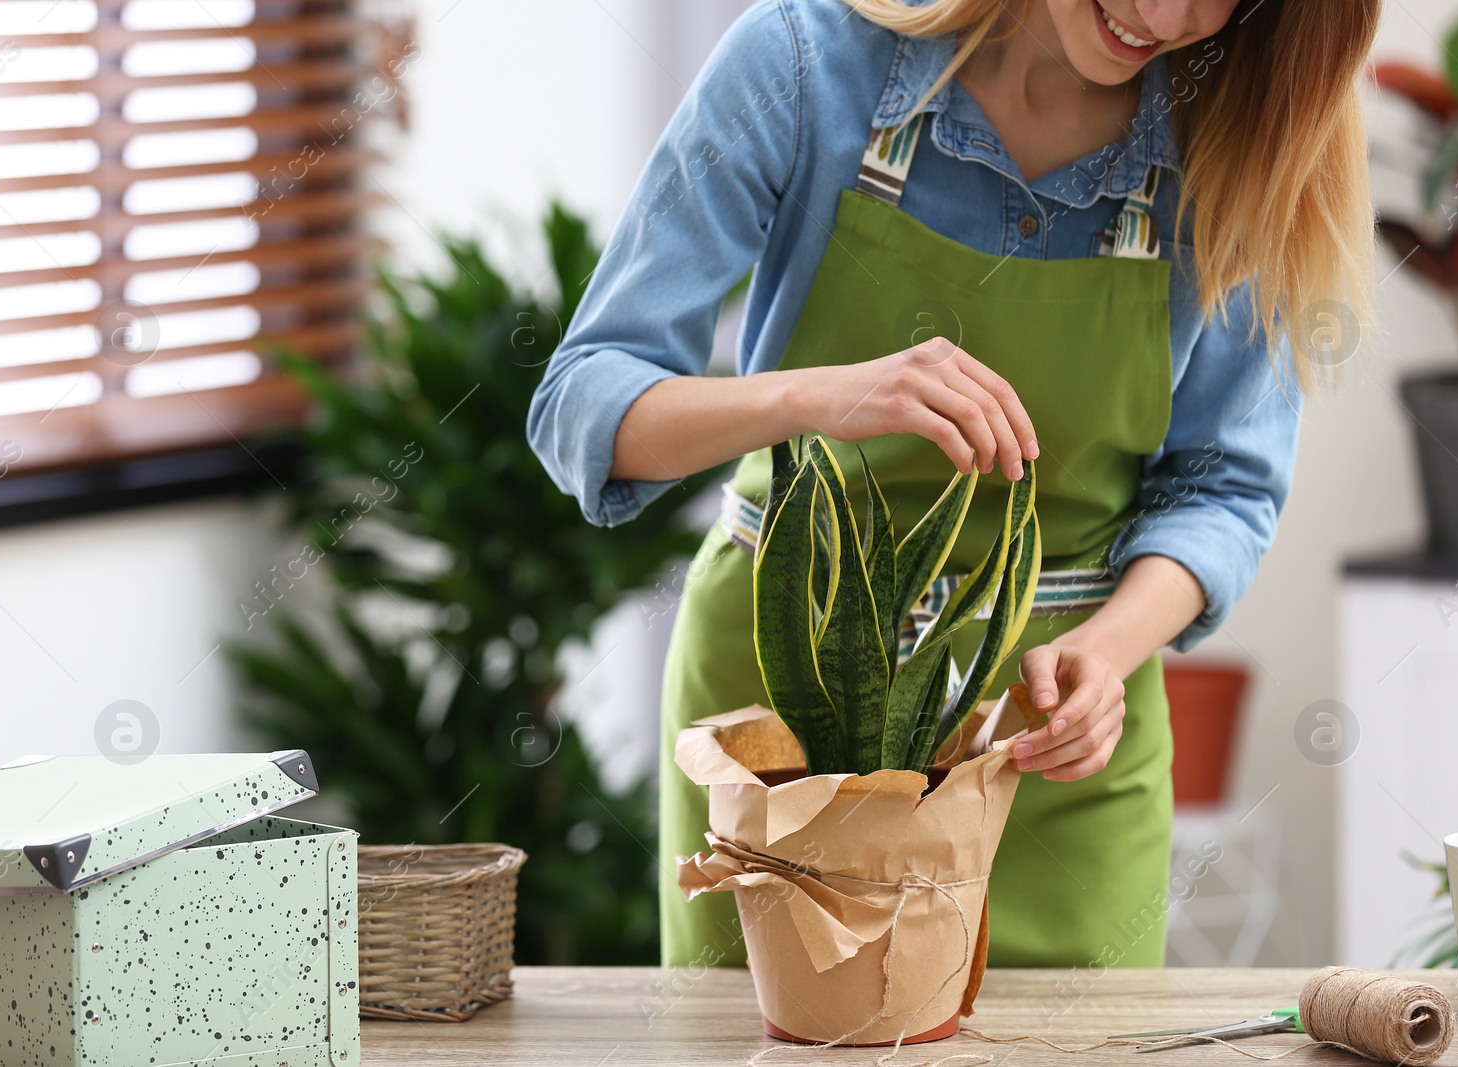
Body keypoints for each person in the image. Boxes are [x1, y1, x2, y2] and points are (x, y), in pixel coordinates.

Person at [528, 0, 1379, 968]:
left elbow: (1224, 487)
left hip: (1048, 757)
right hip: (781, 735)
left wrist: (1107, 652)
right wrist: (816, 395)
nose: (1163, 14)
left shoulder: (1243, 136)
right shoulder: (805, 63)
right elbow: (586, 403)